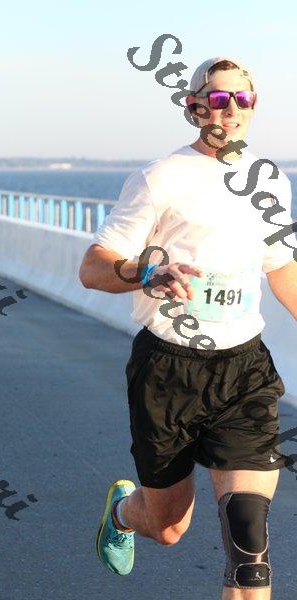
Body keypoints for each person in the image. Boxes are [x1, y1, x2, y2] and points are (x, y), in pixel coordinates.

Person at [79, 57, 297, 599]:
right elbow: (92, 267)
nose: (231, 109)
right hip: (168, 371)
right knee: (169, 527)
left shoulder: (270, 180)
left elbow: (281, 266)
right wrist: (144, 273)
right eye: (218, 98)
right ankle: (125, 513)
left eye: (242, 99)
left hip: (244, 369)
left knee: (249, 548)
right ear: (194, 105)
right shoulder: (160, 178)